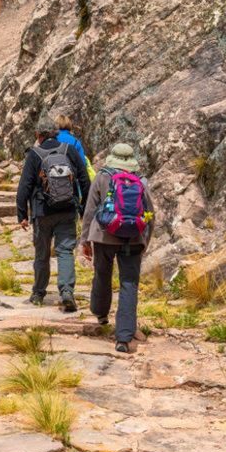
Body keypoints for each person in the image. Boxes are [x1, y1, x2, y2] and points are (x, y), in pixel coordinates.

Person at [80, 143, 155, 353]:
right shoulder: (140, 180)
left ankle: (101, 314)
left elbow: (90, 210)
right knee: (129, 283)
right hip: (133, 238)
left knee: (102, 274)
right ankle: (123, 338)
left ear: (112, 157)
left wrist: (85, 240)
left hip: (104, 236)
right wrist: (144, 243)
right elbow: (151, 215)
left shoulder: (101, 177)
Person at [16, 113, 90, 309]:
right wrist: (84, 209)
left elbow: (24, 186)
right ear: (56, 133)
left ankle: (39, 293)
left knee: (42, 253)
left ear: (39, 135)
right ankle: (66, 291)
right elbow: (84, 180)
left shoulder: (35, 154)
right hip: (67, 209)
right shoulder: (70, 150)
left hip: (42, 212)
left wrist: (22, 214)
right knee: (65, 251)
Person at [55, 114, 96, 182]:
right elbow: (83, 164)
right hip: (71, 179)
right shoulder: (75, 142)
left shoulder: (52, 140)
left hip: (53, 177)